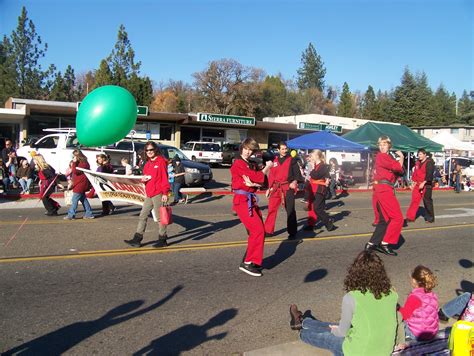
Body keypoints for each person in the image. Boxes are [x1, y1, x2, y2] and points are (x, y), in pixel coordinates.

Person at [289, 250, 398, 356]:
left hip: (359, 352)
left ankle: (302, 333)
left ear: (355, 272)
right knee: (337, 327)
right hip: (384, 351)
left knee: (328, 336)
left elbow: (342, 333)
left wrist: (333, 330)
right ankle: (304, 321)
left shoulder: (351, 297)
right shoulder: (392, 293)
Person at [231, 137, 272, 277]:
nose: (248, 152)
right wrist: (266, 169)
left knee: (258, 231)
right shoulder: (238, 163)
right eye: (246, 149)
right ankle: (248, 262)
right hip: (242, 201)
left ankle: (249, 259)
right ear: (241, 148)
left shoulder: (250, 163)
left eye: (250, 150)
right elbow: (255, 177)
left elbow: (260, 181)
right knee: (258, 230)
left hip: (250, 200)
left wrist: (256, 183)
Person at [124, 141, 170, 248]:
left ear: (155, 150)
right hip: (149, 193)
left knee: (160, 218)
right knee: (143, 215)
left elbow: (164, 178)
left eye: (151, 150)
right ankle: (137, 239)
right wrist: (143, 179)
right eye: (147, 150)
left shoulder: (161, 162)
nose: (149, 152)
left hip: (158, 193)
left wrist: (165, 193)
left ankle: (162, 239)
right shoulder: (148, 163)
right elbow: (146, 176)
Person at [365, 136, 404, 256]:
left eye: (384, 144)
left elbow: (400, 171)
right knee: (398, 218)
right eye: (380, 144)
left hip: (383, 189)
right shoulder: (382, 156)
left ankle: (371, 243)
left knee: (385, 219)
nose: (382, 146)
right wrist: (401, 157)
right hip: (384, 190)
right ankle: (385, 243)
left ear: (389, 146)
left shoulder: (388, 157)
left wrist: (399, 160)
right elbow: (398, 167)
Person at [264, 142, 304, 240]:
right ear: (278, 150)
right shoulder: (275, 161)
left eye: (286, 148)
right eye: (282, 149)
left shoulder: (292, 160)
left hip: (287, 188)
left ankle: (292, 231)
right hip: (276, 188)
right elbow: (272, 175)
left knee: (290, 210)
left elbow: (297, 174)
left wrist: (294, 182)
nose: (284, 150)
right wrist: (269, 188)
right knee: (271, 209)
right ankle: (268, 230)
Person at [398, 265, 439, 341]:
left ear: (414, 280)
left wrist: (398, 308)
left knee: (398, 320)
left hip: (417, 334)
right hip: (432, 332)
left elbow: (405, 315)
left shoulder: (414, 297)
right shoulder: (432, 294)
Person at [307, 149, 336, 232]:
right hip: (313, 188)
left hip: (319, 189)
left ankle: (328, 221)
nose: (311, 157)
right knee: (313, 208)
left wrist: (312, 167)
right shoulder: (316, 165)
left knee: (317, 208)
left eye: (312, 155)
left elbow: (315, 175)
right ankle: (312, 224)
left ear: (317, 156)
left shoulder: (323, 166)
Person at [405, 149, 435, 224]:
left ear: (425, 154)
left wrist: (424, 182)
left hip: (426, 184)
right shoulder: (418, 163)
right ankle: (410, 217)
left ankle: (430, 218)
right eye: (418, 154)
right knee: (414, 200)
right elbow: (415, 173)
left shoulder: (429, 163)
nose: (419, 156)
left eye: (421, 154)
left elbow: (429, 174)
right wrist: (413, 182)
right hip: (418, 184)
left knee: (427, 201)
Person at [64, 149, 95, 220]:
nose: (73, 158)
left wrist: (74, 163)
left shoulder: (83, 163)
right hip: (79, 183)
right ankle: (89, 213)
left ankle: (71, 215)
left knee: (74, 200)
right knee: (83, 199)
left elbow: (75, 171)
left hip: (81, 184)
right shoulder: (81, 162)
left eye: (74, 156)